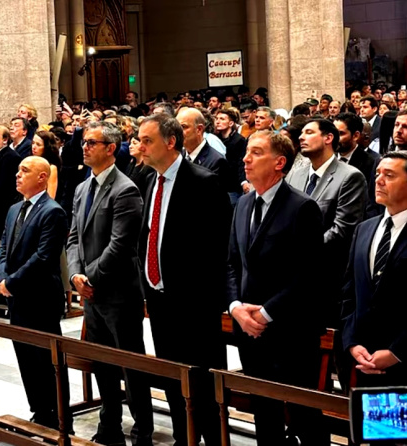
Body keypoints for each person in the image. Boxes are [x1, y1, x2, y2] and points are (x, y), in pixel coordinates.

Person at [226, 130, 327, 444]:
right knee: (263, 411)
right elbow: (231, 263)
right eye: (247, 152)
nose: (246, 158)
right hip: (249, 330)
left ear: (279, 162)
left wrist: (266, 314)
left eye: (256, 153)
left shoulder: (302, 207)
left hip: (291, 331)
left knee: (304, 414)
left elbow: (308, 275)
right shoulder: (243, 204)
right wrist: (236, 308)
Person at [137, 113, 231, 445]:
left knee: (202, 384)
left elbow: (217, 248)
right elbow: (148, 236)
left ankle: (213, 441)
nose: (140, 147)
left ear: (171, 142)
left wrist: (202, 298)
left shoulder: (203, 182)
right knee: (171, 377)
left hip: (194, 306)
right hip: (161, 302)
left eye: (147, 141)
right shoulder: (151, 181)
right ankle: (183, 438)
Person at [66, 121, 152, 446]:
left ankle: (142, 429)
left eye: (91, 142)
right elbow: (73, 237)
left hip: (117, 292)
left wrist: (90, 277)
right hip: (90, 292)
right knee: (102, 362)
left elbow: (121, 245)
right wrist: (75, 275)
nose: (84, 147)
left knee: (132, 365)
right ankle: (110, 424)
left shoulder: (125, 189)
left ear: (110, 148)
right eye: (84, 142)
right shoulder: (80, 188)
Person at [0, 156, 69, 430]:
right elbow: (3, 246)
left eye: (24, 171)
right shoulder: (15, 208)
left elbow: (44, 257)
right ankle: (39, 411)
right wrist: (3, 277)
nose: (17, 175)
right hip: (16, 296)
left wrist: (12, 281)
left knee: (47, 361)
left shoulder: (53, 211)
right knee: (25, 357)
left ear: (42, 177)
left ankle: (60, 417)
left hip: (40, 297)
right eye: (17, 170)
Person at [285, 118, 367, 324]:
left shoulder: (349, 176)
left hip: (326, 274)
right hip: (293, 276)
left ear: (328, 138)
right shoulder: (295, 174)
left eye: (309, 132)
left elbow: (343, 229)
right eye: (301, 133)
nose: (301, 137)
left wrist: (300, 250)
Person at [342, 151, 407, 387]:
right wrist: (352, 343)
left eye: (389, 175)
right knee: (368, 425)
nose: (378, 180)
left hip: (402, 361)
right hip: (364, 360)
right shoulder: (364, 229)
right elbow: (350, 292)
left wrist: (396, 353)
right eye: (378, 173)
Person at [31, 130, 61, 198]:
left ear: (46, 147)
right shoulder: (30, 162)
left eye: (38, 144)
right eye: (33, 143)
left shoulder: (51, 168)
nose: (34, 147)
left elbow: (51, 195)